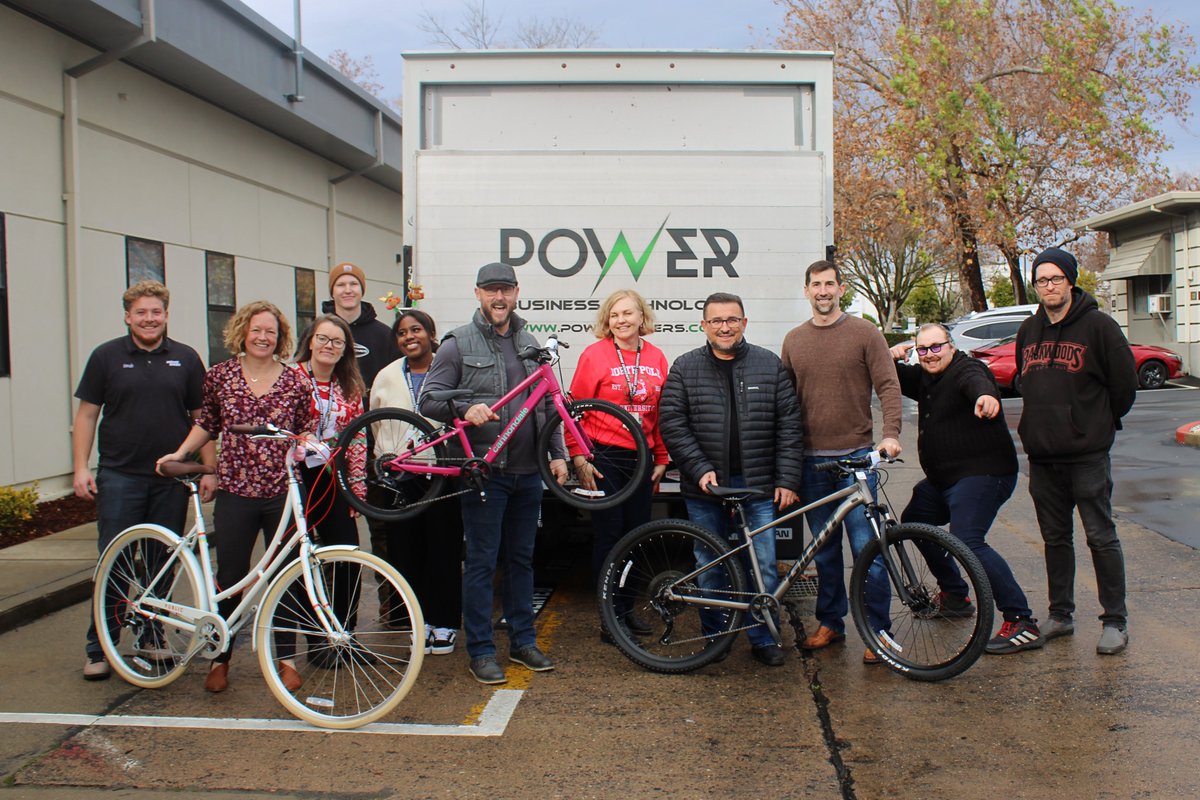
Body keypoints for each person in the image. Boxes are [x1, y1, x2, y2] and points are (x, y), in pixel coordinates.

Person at [418, 262, 567, 685]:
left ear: (516, 292)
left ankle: (523, 642)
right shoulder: (456, 344)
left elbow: (545, 404)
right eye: (490, 291)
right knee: (483, 563)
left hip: (527, 472)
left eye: (505, 290)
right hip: (484, 472)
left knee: (522, 561)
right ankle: (481, 650)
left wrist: (555, 454)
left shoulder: (529, 340)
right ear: (478, 294)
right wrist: (464, 408)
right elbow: (428, 401)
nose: (498, 298)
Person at [158, 301, 313, 693]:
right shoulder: (220, 376)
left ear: (281, 339)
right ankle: (220, 657)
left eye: (271, 332)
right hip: (236, 490)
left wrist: (309, 443)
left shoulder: (296, 380)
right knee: (231, 576)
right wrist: (180, 454)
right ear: (243, 331)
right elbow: (207, 423)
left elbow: (306, 429)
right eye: (257, 330)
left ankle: (285, 658)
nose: (263, 337)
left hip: (282, 490)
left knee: (287, 576)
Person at [73, 280, 212, 681]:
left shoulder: (185, 359)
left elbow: (202, 418)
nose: (149, 319)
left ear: (166, 315)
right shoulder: (106, 357)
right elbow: (87, 415)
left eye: (156, 312)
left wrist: (208, 469)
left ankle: (152, 637)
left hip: (169, 479)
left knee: (160, 563)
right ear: (127, 316)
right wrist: (82, 467)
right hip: (120, 477)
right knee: (113, 563)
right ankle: (100, 646)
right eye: (141, 313)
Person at [659, 292, 803, 667]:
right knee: (710, 564)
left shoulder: (768, 364)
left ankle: (762, 638)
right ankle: (716, 638)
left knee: (765, 566)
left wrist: (787, 479)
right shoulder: (684, 367)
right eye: (717, 320)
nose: (725, 327)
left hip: (758, 485)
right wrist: (698, 467)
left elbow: (790, 426)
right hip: (705, 487)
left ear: (744, 323)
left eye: (732, 319)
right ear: (704, 325)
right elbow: (672, 423)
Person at [890, 324, 1042, 654]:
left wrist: (986, 397)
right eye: (923, 349)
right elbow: (887, 371)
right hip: (944, 479)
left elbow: (979, 383)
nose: (930, 354)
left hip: (984, 474)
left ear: (951, 346)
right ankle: (955, 595)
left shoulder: (965, 369)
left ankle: (1022, 621)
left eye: (936, 347)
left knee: (968, 539)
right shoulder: (924, 378)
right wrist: (890, 355)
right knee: (915, 523)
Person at [1016, 247, 1137, 655]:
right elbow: (1024, 383)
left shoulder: (1099, 327)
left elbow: (1124, 388)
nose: (1048, 286)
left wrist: (1093, 424)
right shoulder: (1028, 332)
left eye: (1056, 278)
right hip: (1043, 459)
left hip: (1086, 455)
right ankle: (1060, 616)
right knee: (1055, 540)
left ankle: (1115, 621)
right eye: (1041, 280)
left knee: (1101, 538)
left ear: (1070, 281)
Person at [780, 260, 901, 664]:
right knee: (825, 551)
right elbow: (786, 403)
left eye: (830, 284)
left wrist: (891, 435)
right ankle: (831, 621)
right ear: (807, 290)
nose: (823, 291)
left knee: (869, 550)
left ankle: (877, 630)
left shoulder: (865, 333)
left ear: (841, 288)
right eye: (816, 284)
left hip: (856, 459)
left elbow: (888, 384)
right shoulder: (794, 340)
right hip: (812, 462)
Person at [569, 289, 671, 642]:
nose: (622, 320)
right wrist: (578, 456)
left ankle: (627, 610)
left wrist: (661, 458)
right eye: (615, 315)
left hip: (641, 458)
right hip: (604, 457)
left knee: (637, 537)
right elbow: (574, 413)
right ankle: (609, 618)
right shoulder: (593, 355)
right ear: (607, 321)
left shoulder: (657, 357)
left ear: (642, 317)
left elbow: (659, 414)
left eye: (628, 313)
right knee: (610, 536)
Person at [370, 309, 464, 655]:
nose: (410, 337)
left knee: (444, 548)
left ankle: (445, 623)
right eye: (403, 333)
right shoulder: (387, 375)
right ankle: (418, 620)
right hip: (402, 475)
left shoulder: (450, 366)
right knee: (406, 551)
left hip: (443, 472)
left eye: (417, 330)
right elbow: (377, 422)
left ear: (430, 333)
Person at [289, 315, 369, 665]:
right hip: (295, 478)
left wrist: (356, 492)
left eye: (338, 342)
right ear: (310, 341)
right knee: (304, 559)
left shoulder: (349, 386)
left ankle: (344, 636)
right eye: (323, 339)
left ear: (345, 350)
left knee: (347, 555)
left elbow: (358, 440)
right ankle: (316, 642)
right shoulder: (290, 378)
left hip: (331, 477)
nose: (329, 346)